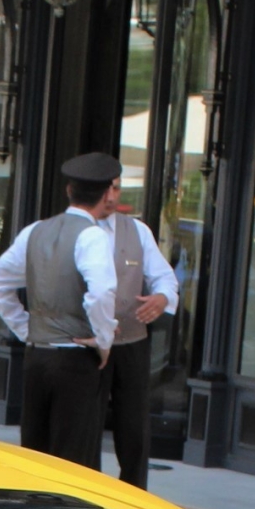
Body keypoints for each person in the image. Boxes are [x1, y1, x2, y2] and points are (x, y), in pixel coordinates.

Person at [0, 152, 123, 472]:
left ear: (69, 191)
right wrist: (103, 341)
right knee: (74, 460)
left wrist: (26, 328)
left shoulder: (34, 231)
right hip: (74, 359)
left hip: (37, 358)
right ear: (107, 194)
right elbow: (101, 293)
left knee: (35, 455)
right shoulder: (93, 237)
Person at [102, 196, 179, 488]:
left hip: (131, 341)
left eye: (117, 189)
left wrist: (161, 298)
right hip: (84, 344)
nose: (111, 196)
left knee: (133, 427)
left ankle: (134, 493)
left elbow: (165, 279)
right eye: (106, 189)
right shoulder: (71, 230)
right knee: (83, 426)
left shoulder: (138, 231)